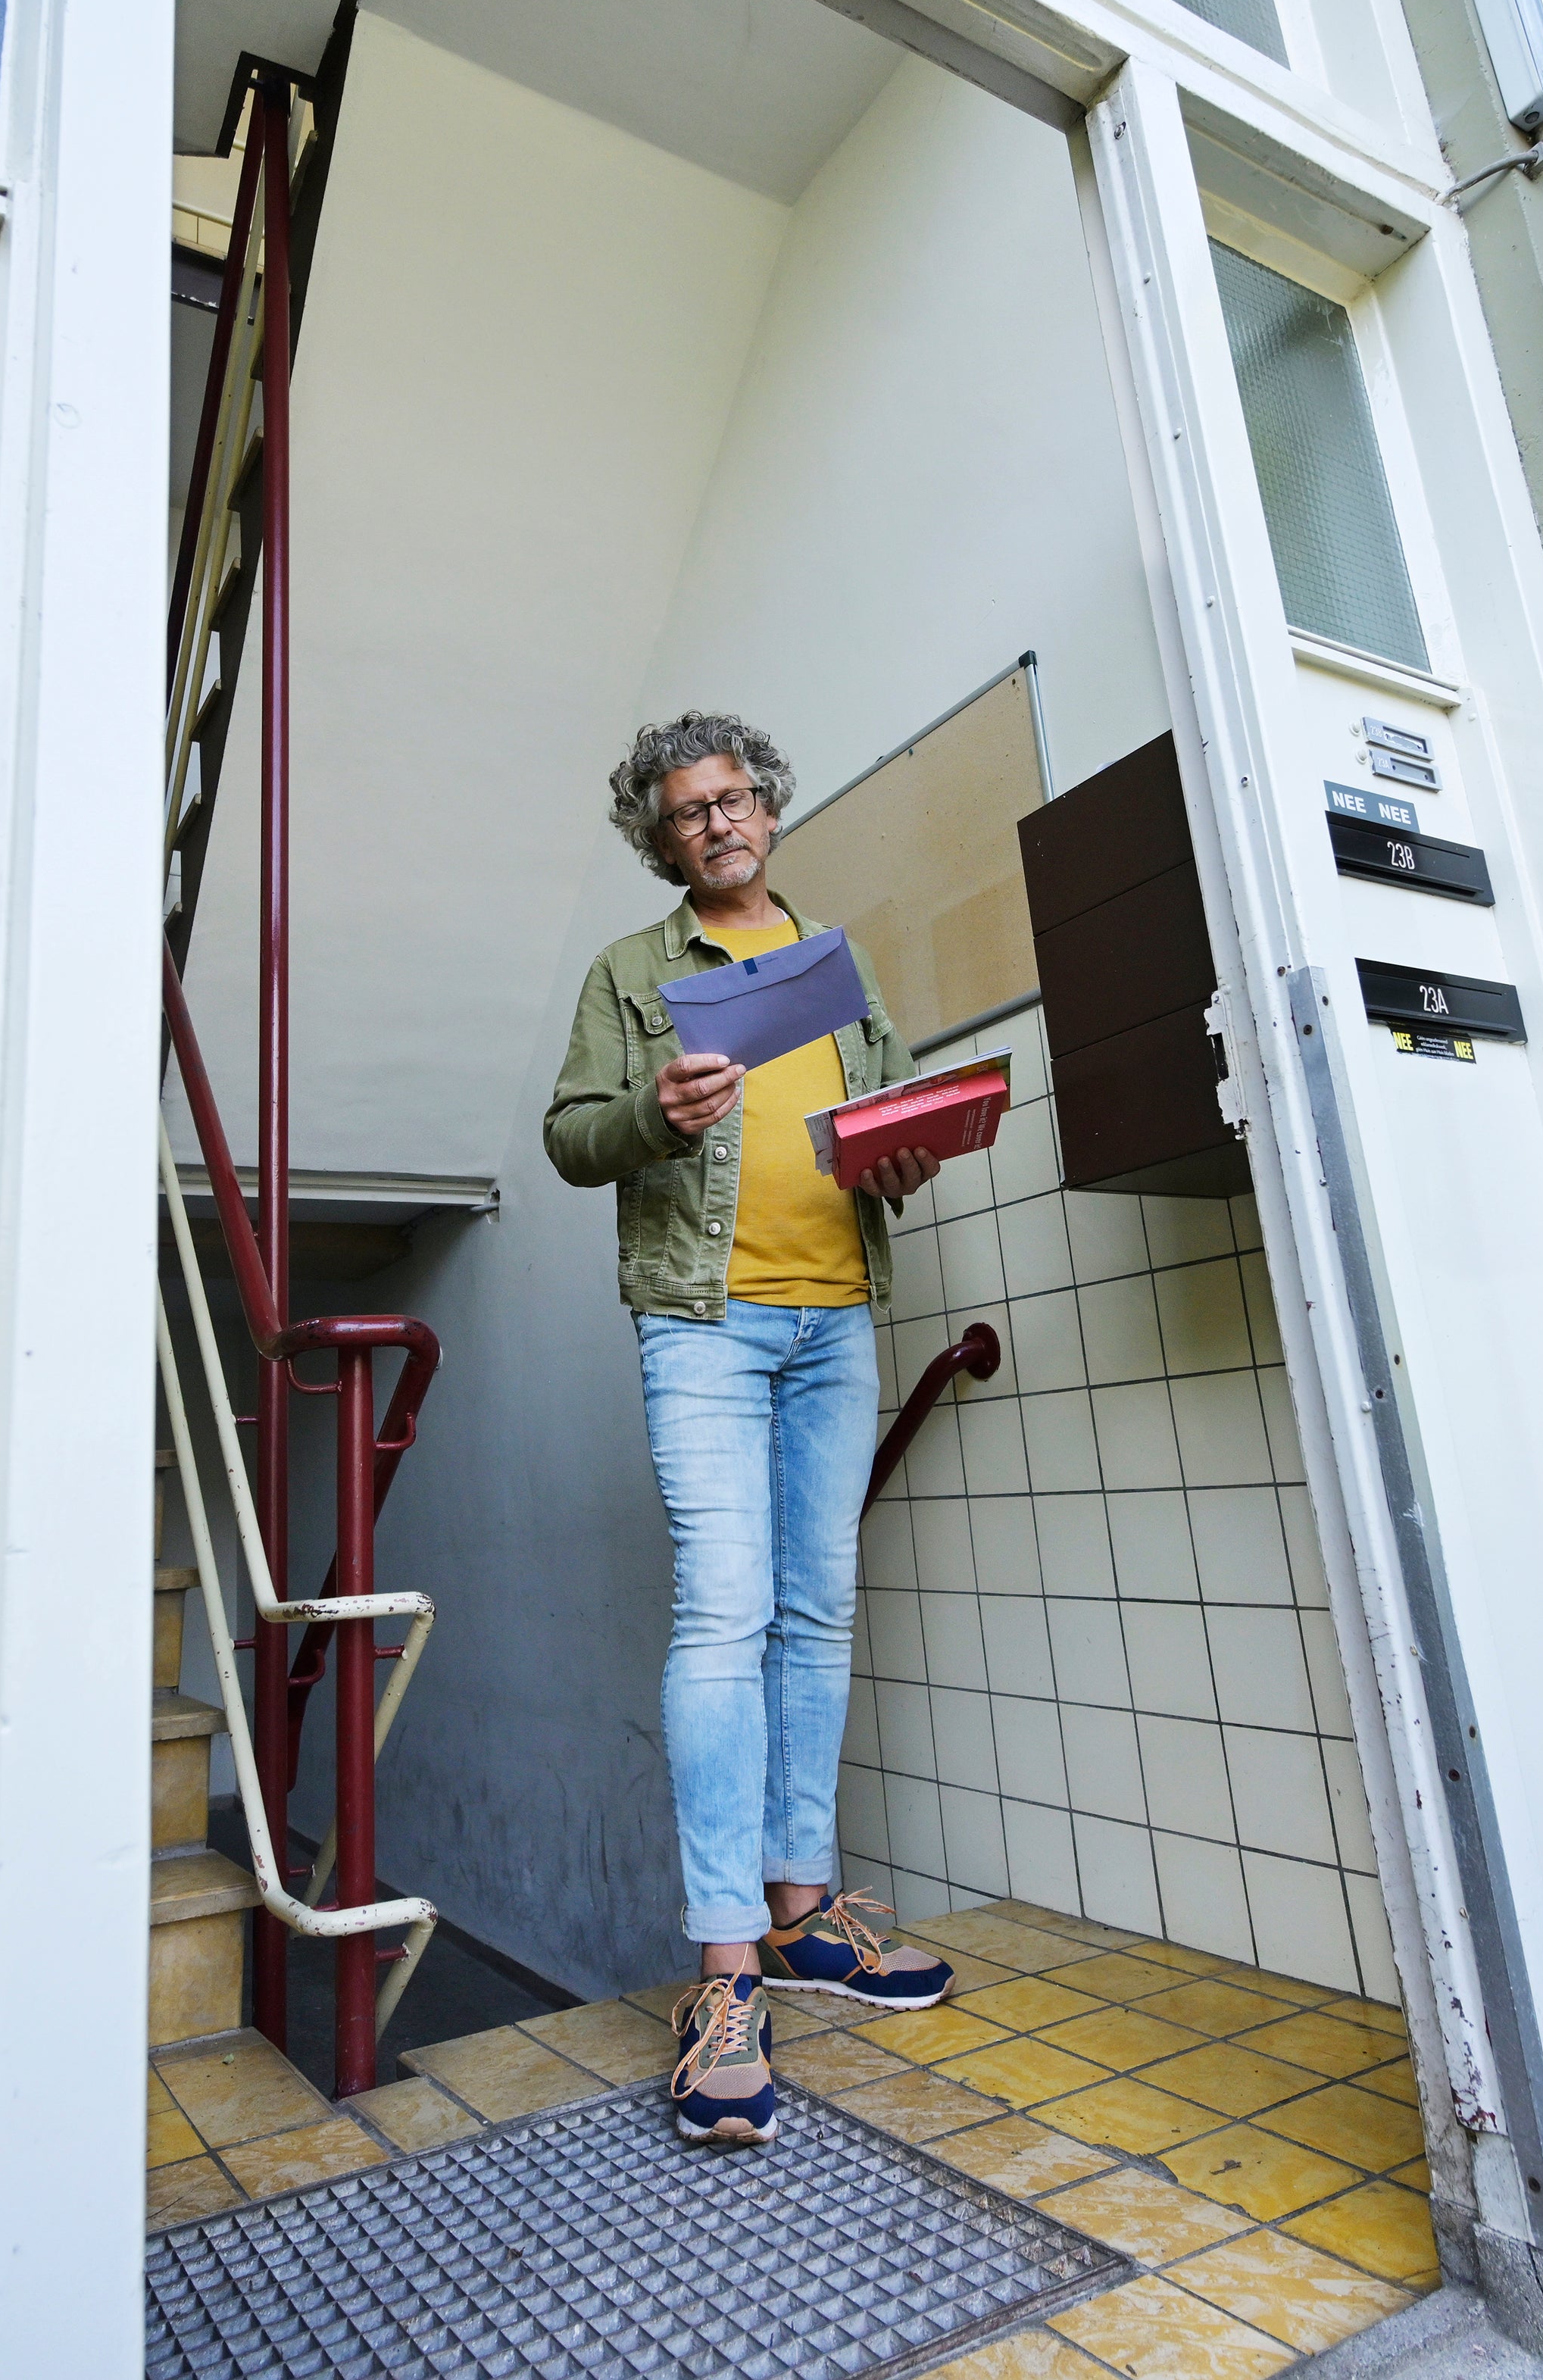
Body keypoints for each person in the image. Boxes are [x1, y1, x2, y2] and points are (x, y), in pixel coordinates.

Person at [543, 714, 958, 2147]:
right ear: (660, 841)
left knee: (816, 1609)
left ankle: (802, 1912)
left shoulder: (833, 963)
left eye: (733, 800)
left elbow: (887, 1118)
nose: (715, 823)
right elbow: (570, 1137)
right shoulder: (631, 973)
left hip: (836, 1317)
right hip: (704, 1323)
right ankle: (724, 1973)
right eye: (686, 811)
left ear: (769, 812)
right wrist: (655, 1116)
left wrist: (901, 1157)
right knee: (724, 1616)